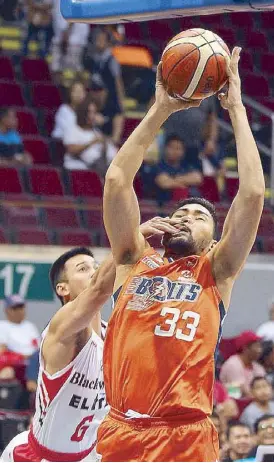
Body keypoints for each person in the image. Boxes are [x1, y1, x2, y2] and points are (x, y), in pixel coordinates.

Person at [96, 47, 265, 462]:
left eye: (199, 216)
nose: (187, 217)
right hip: (121, 429)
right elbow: (117, 180)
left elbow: (253, 193)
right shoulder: (132, 258)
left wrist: (237, 109)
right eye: (181, 212)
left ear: (213, 240)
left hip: (184, 437)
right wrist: (160, 110)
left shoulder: (216, 269)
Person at [1, 220, 173, 462]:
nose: (94, 271)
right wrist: (132, 237)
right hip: (38, 457)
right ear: (63, 288)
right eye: (83, 269)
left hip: (89, 455)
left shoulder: (114, 333)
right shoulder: (62, 329)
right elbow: (98, 290)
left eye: (95, 266)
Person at [83, 28, 125, 146]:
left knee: (116, 114)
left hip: (110, 97)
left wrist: (121, 101)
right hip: (96, 97)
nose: (98, 42)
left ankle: (113, 142)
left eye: (102, 40)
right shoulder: (94, 57)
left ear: (107, 42)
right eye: (97, 39)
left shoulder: (111, 60)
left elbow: (118, 81)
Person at [63, 99, 117, 172]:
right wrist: (91, 142)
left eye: (94, 112)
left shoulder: (97, 132)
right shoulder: (73, 129)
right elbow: (72, 150)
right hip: (77, 170)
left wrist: (104, 144)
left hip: (99, 169)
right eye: (89, 112)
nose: (91, 116)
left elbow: (113, 153)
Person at [154, 134, 203, 204]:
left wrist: (174, 180)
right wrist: (184, 183)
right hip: (164, 206)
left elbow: (197, 178)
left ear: (183, 151)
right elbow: (164, 183)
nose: (174, 151)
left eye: (178, 148)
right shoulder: (159, 166)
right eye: (172, 147)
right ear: (165, 148)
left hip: (187, 205)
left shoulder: (186, 166)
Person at [220, 331, 266, 397]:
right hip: (236, 402)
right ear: (245, 348)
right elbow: (239, 393)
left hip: (255, 402)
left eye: (260, 346)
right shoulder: (233, 364)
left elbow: (265, 386)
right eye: (256, 346)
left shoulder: (257, 366)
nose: (260, 350)